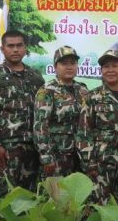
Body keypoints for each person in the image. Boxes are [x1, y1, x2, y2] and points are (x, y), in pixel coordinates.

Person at [0, 29, 45, 194]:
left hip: (32, 147)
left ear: (25, 48)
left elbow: (42, 114)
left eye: (19, 45)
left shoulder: (36, 77)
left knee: (30, 195)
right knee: (7, 194)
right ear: (2, 49)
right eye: (10, 46)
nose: (15, 50)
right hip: (6, 148)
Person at [80, 49, 118, 203]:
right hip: (101, 163)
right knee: (99, 206)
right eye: (106, 67)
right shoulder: (92, 97)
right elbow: (84, 132)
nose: (110, 70)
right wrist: (89, 163)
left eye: (115, 66)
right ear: (101, 71)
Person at [34, 46, 90, 178]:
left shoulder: (83, 89)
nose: (69, 67)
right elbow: (40, 126)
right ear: (55, 66)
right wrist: (46, 157)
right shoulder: (47, 90)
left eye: (73, 63)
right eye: (64, 63)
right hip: (57, 156)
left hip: (81, 155)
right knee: (57, 196)